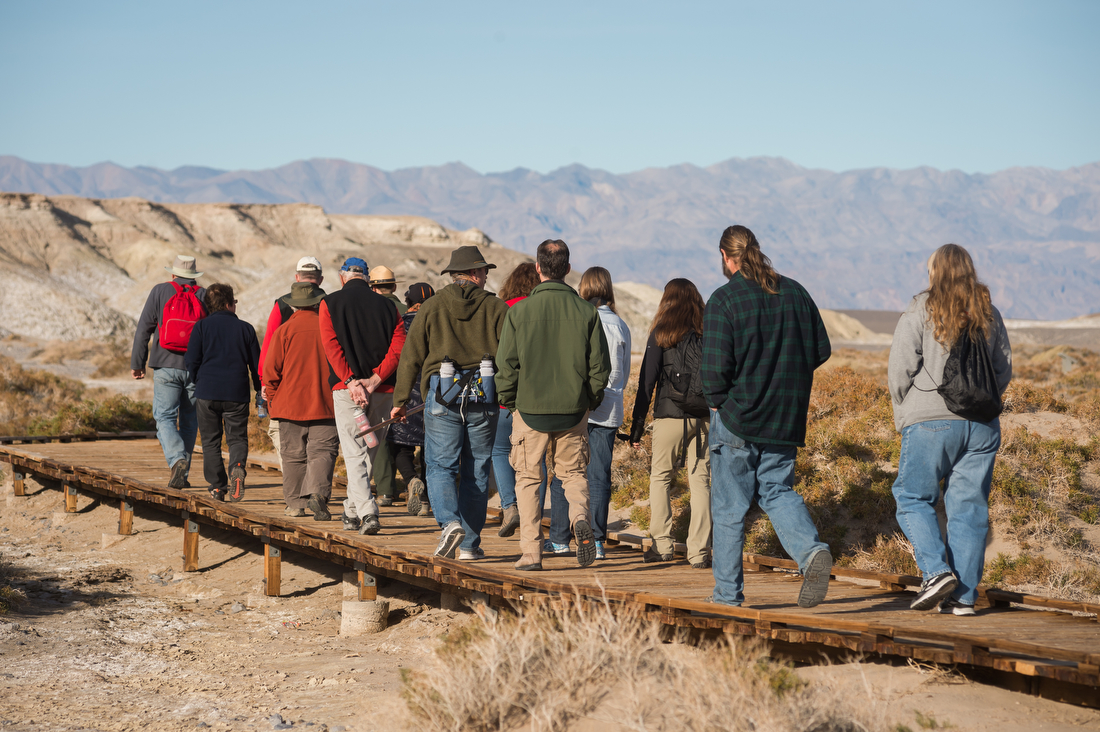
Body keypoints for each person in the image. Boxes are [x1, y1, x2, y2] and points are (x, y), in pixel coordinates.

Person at [701, 225, 833, 608]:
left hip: (737, 418)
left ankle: (727, 595)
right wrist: (786, 376)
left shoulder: (724, 300)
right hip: (784, 416)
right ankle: (811, 554)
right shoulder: (794, 292)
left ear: (726, 257)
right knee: (777, 491)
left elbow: (712, 374)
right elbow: (820, 350)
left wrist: (718, 402)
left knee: (729, 510)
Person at [888, 243, 1012, 615]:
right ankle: (964, 598)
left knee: (912, 498)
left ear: (936, 272)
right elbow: (1002, 370)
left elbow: (900, 369)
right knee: (969, 509)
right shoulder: (989, 312)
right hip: (983, 425)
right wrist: (978, 401)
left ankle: (936, 571)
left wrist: (905, 411)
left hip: (931, 423)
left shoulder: (922, 307)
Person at [496, 239, 612, 571]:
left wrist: (510, 401)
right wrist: (588, 400)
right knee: (574, 474)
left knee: (530, 479)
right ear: (568, 268)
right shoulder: (587, 312)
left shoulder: (519, 312)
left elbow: (507, 367)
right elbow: (599, 368)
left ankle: (532, 553)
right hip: (573, 410)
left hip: (529, 411)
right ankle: (579, 517)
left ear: (538, 268)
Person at [391, 245, 509, 560]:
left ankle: (449, 524)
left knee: (440, 465)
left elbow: (411, 355)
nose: (486, 276)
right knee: (477, 469)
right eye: (484, 270)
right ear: (475, 273)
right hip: (484, 396)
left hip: (442, 396)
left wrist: (400, 400)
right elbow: (513, 358)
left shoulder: (432, 306)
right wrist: (512, 396)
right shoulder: (497, 309)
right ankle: (469, 546)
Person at [544, 267, 631, 561]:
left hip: (576, 406)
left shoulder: (580, 319)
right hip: (608, 409)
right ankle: (596, 539)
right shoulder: (620, 325)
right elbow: (625, 372)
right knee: (598, 476)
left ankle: (558, 538)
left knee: (564, 472)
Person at [319, 257, 406, 535]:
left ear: (342, 277)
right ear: (367, 278)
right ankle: (351, 509)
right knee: (370, 451)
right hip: (382, 390)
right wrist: (375, 379)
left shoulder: (329, 303)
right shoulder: (389, 307)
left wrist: (351, 381)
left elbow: (331, 345)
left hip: (347, 392)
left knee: (356, 454)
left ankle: (367, 512)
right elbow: (399, 345)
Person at [628, 279, 711, 567]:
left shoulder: (661, 333)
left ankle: (662, 545)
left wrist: (637, 426)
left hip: (669, 416)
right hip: (703, 418)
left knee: (661, 477)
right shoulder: (707, 332)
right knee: (701, 481)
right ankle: (699, 551)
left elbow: (646, 382)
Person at [263, 282, 340, 519]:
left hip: (289, 405)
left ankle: (295, 504)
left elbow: (270, 372)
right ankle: (317, 494)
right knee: (323, 452)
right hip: (326, 404)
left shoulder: (284, 330)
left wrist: (274, 401)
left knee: (293, 455)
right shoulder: (330, 328)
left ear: (293, 304)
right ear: (318, 302)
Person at [131, 255, 207, 488]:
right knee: (189, 420)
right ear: (194, 276)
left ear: (172, 274)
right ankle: (182, 476)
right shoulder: (203, 295)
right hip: (195, 368)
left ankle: (177, 460)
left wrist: (138, 363)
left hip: (165, 365)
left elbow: (144, 328)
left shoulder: (160, 291)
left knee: (164, 416)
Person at [184, 283, 260, 502]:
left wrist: (199, 381)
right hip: (236, 392)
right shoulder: (245, 329)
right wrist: (259, 391)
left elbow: (191, 360)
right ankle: (236, 467)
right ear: (228, 304)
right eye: (234, 302)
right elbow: (256, 365)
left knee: (210, 441)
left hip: (207, 391)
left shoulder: (201, 327)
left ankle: (217, 487)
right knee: (236, 438)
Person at [491, 262, 543, 538]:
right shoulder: (540, 309)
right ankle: (534, 513)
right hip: (534, 396)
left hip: (504, 394)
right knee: (536, 458)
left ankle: (510, 505)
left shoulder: (503, 308)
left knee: (499, 450)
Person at [258, 257, 326, 466]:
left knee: (288, 438)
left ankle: (293, 478)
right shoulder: (327, 303)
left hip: (287, 382)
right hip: (321, 383)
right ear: (320, 279)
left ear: (296, 278)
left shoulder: (282, 304)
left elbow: (269, 343)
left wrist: (264, 381)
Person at [386, 283, 435, 517]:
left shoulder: (400, 324)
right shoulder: (437, 323)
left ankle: (411, 480)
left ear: (407, 302)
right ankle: (425, 502)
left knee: (400, 444)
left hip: (404, 393)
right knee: (429, 448)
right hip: (431, 393)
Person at [369, 264, 408, 506]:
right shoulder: (405, 309)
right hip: (407, 381)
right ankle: (413, 480)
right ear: (394, 286)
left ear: (373, 288)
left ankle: (385, 490)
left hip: (380, 380)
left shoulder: (371, 311)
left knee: (380, 435)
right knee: (406, 437)